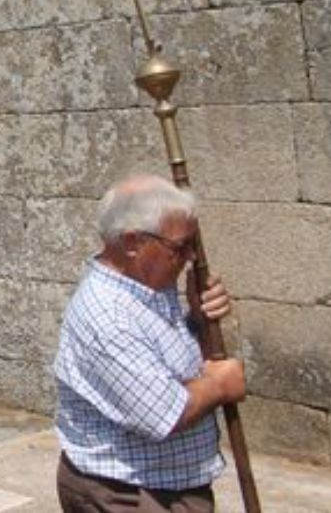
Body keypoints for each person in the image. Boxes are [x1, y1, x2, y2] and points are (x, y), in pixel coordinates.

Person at [54, 175, 245, 511]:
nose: (189, 257)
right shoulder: (107, 315)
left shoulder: (147, 286)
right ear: (132, 243)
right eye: (179, 247)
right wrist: (219, 385)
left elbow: (167, 362)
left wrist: (199, 322)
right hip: (130, 495)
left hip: (165, 484)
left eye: (193, 245)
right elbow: (164, 414)